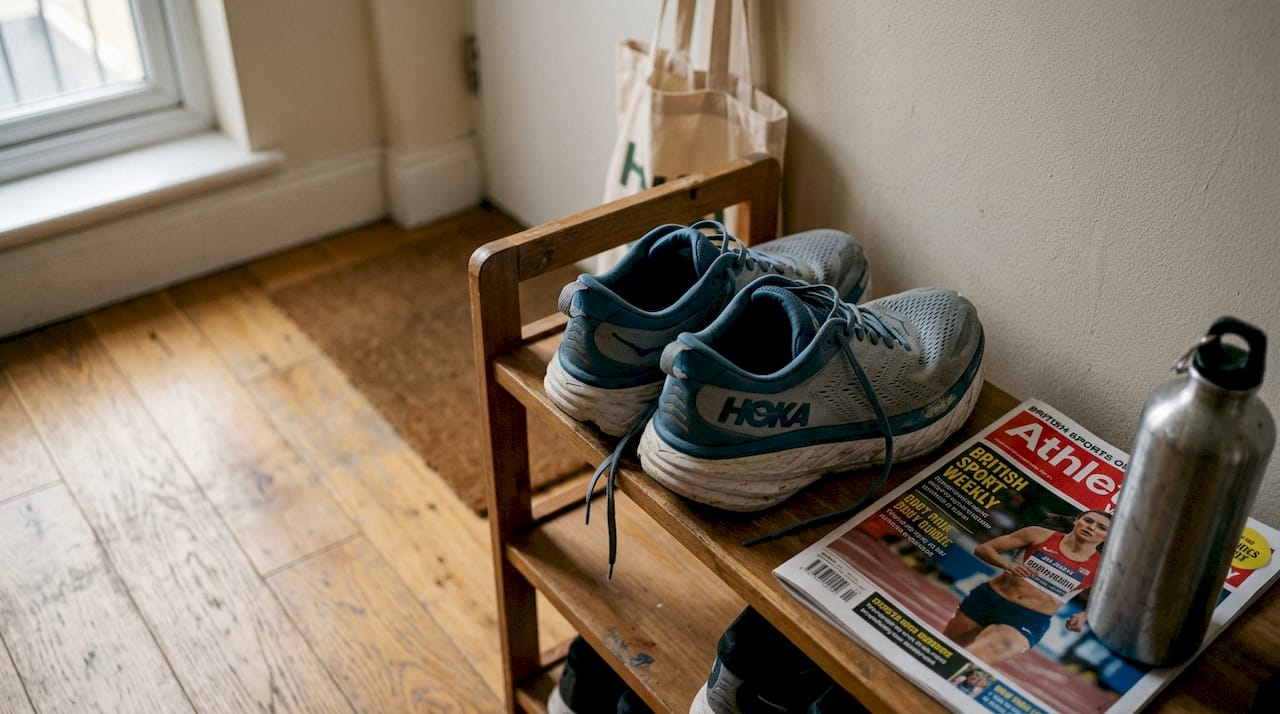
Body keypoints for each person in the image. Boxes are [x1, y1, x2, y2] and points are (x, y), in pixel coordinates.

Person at [941, 510, 1111, 665]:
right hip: (988, 600)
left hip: (1029, 619)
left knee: (979, 656)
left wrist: (1085, 615)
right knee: (945, 653)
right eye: (1088, 521)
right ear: (1076, 521)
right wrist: (1008, 565)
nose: (1091, 527)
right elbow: (984, 549)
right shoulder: (1038, 534)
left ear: (1107, 536)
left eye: (1101, 527)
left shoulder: (1102, 567)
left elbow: (1109, 601)